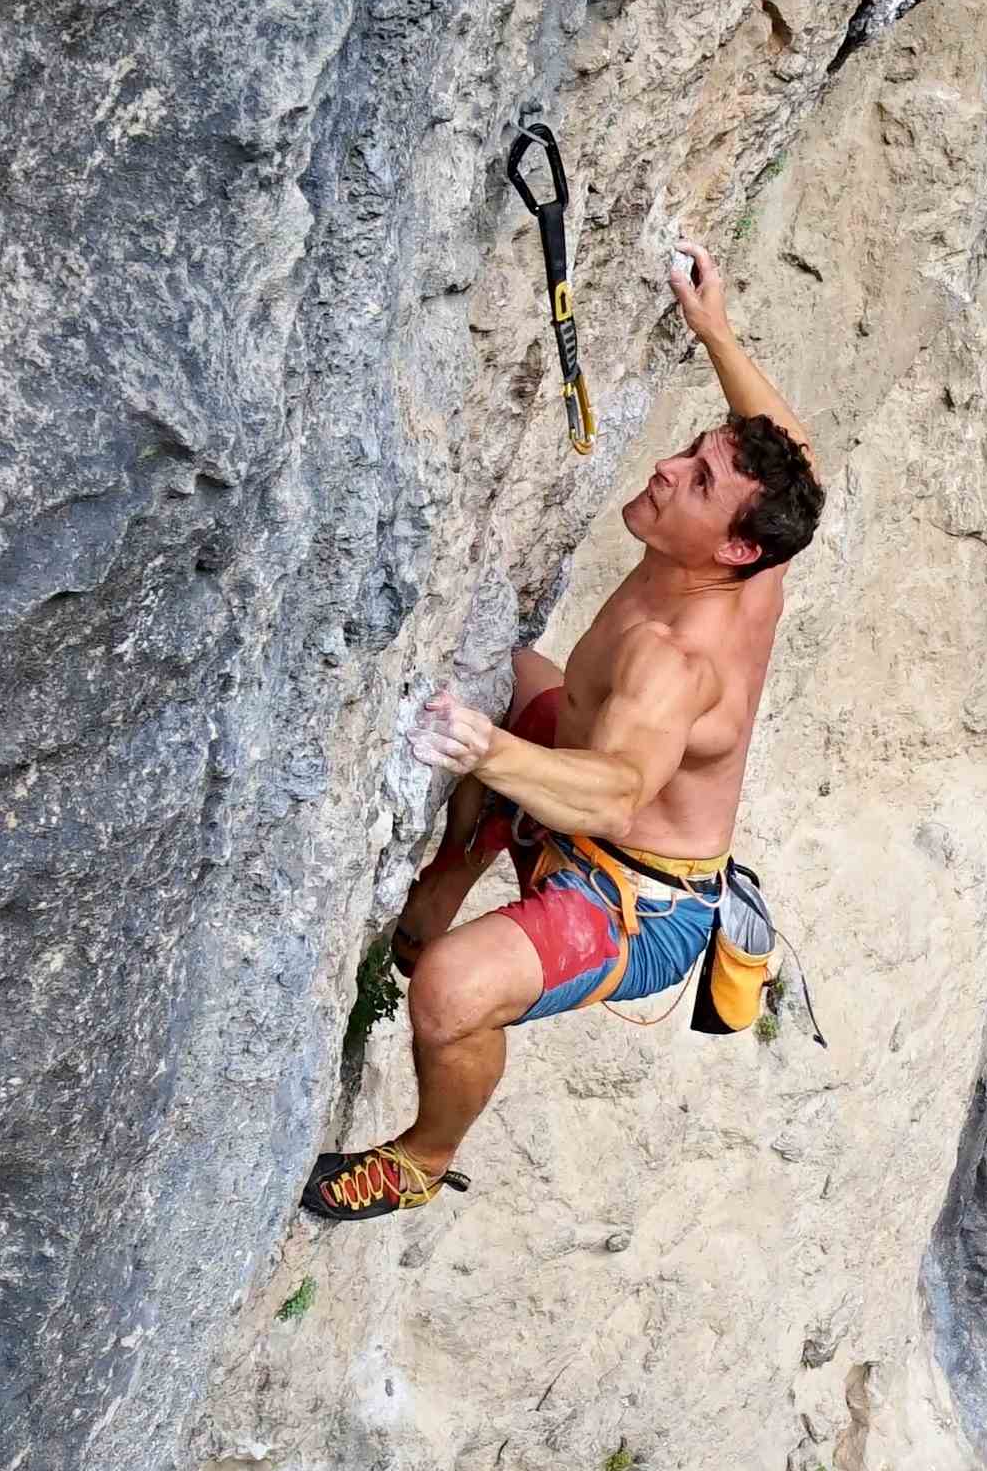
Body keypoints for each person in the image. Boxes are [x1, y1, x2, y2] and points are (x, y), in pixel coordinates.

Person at [301, 248, 823, 1223]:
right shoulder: (757, 553)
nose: (667, 469)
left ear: (736, 547)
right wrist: (713, 330)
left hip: (636, 895)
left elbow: (618, 789)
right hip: (589, 788)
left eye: (697, 478)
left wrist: (487, 754)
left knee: (451, 993)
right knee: (511, 673)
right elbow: (785, 443)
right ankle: (451, 873)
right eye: (689, 452)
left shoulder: (678, 663)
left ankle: (421, 1155)